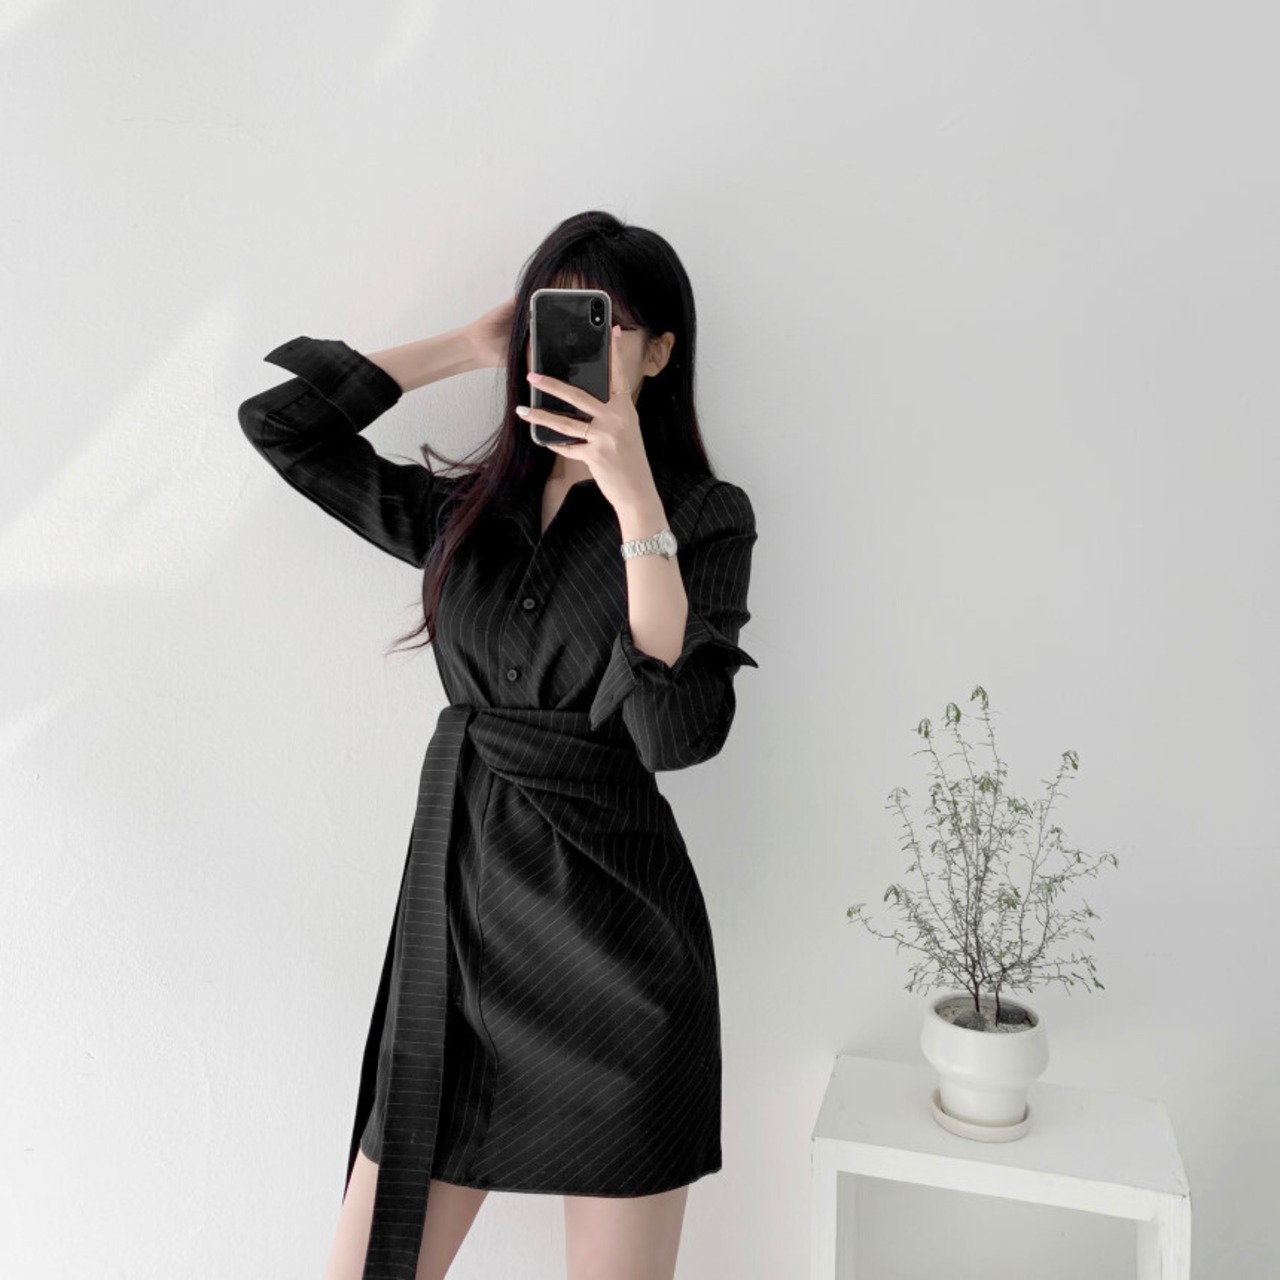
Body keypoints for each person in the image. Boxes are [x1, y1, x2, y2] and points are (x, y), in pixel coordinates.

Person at [237, 210, 760, 1280]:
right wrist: (463, 348)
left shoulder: (704, 516)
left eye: (602, 321)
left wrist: (634, 499)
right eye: (547, 317)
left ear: (658, 352)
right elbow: (281, 426)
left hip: (618, 964)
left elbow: (672, 735)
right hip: (459, 949)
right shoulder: (466, 514)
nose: (566, 340)